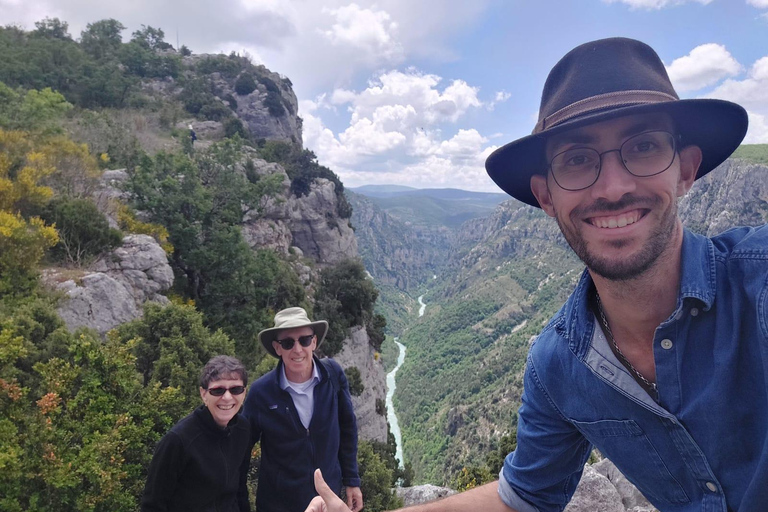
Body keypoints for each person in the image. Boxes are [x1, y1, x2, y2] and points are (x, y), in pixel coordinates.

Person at [304, 37, 768, 512]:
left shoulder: (760, 285)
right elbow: (523, 497)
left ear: (686, 170)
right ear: (546, 197)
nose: (613, 187)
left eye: (644, 146)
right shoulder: (559, 365)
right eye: (578, 159)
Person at [242, 307, 363, 512]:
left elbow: (347, 428)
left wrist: (352, 480)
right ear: (277, 348)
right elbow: (241, 449)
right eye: (288, 343)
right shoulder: (261, 393)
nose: (297, 349)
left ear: (314, 342)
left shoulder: (333, 375)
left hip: (328, 499)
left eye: (304, 340)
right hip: (279, 505)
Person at [141, 355, 252, 512]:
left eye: (236, 389)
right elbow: (153, 505)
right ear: (203, 394)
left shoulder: (243, 430)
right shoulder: (178, 441)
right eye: (217, 390)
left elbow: (240, 489)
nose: (227, 397)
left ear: (244, 393)